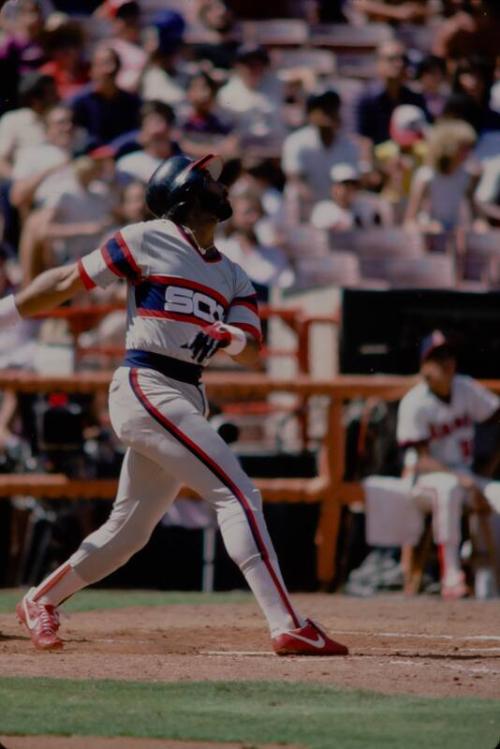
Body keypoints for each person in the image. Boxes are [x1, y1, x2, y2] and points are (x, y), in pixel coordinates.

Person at [1, 152, 348, 657]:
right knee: (238, 494)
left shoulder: (232, 273)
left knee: (129, 532)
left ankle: (40, 599)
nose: (220, 184)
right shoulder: (145, 237)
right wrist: (5, 311)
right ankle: (288, 623)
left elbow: (252, 350)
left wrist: (230, 337)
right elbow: (64, 282)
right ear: (183, 193)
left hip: (185, 393)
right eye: (207, 178)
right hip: (147, 383)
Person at [396, 331, 500, 597]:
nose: (445, 362)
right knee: (448, 488)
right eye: (437, 357)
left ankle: (490, 583)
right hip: (422, 481)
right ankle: (451, 574)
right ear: (424, 366)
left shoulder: (465, 387)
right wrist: (463, 479)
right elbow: (421, 460)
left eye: (449, 355)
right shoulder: (415, 401)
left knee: (497, 493)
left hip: (464, 476)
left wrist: (488, 467)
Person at [282, 89, 361, 209]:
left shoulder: (348, 145)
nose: (328, 112)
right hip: (304, 208)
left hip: (338, 209)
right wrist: (319, 208)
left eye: (332, 107)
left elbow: (352, 185)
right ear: (310, 114)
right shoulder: (296, 141)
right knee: (293, 192)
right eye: (322, 108)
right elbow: (295, 180)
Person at [404, 119, 478, 231]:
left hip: (456, 232)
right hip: (429, 234)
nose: (468, 153)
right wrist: (427, 227)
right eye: (463, 148)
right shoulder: (426, 176)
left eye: (469, 148)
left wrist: (479, 224)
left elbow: (475, 214)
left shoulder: (467, 175)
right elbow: (409, 222)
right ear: (448, 148)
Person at [356, 40, 429, 147]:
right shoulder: (364, 99)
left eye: (403, 59)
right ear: (378, 63)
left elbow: (424, 133)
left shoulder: (416, 98)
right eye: (392, 59)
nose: (399, 64)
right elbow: (360, 138)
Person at [71, 44, 141, 145]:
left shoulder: (132, 102)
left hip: (122, 153)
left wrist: (114, 148)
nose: (107, 70)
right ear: (91, 70)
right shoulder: (78, 102)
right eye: (100, 65)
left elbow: (135, 132)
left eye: (110, 64)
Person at [311, 163, 393, 231]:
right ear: (334, 188)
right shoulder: (322, 210)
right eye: (345, 185)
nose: (350, 189)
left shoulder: (364, 207)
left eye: (353, 185)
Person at [116, 100, 179, 183]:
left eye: (166, 122)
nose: (160, 129)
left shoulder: (184, 165)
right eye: (154, 123)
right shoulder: (127, 164)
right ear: (142, 130)